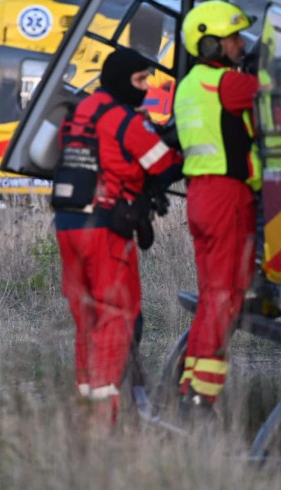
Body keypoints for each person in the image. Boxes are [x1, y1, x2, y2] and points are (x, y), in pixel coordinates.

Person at [51, 47, 183, 426]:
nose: (145, 87)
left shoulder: (79, 112)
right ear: (123, 79)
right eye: (141, 80)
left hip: (68, 223)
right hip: (105, 229)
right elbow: (164, 166)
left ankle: (87, 403)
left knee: (87, 318)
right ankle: (105, 417)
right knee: (116, 317)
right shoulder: (127, 120)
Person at [172, 0, 262, 413]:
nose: (241, 44)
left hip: (200, 198)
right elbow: (274, 96)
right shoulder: (226, 83)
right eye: (233, 38)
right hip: (228, 197)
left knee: (212, 294)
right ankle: (202, 398)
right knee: (226, 295)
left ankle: (189, 383)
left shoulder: (189, 84)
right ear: (210, 45)